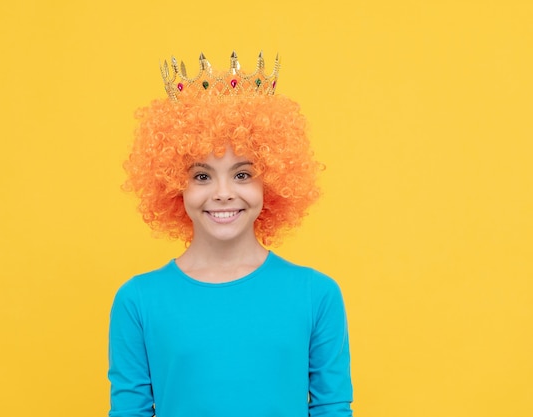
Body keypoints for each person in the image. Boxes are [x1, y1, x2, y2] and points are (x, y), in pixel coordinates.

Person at [108, 51, 353, 417]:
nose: (223, 192)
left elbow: (332, 408)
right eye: (202, 175)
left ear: (271, 181)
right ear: (175, 186)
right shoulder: (138, 301)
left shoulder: (316, 295)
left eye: (242, 174)